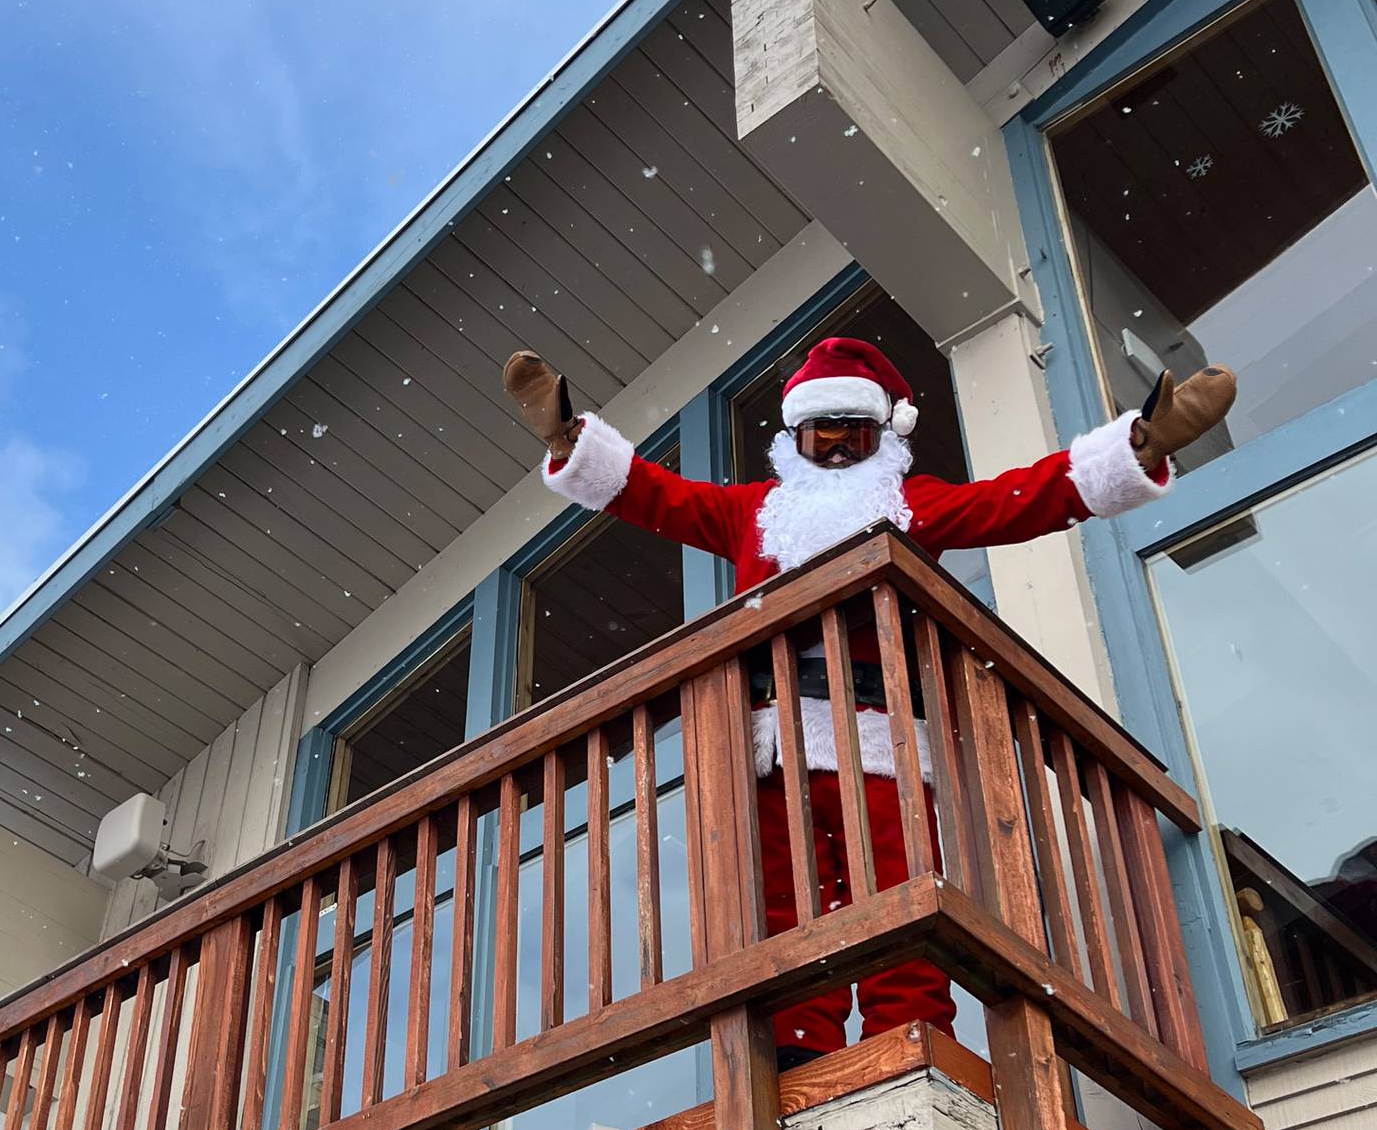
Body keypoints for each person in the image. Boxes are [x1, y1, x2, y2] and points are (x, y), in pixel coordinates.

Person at [502, 332, 1233, 1064]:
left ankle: (908, 1034)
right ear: (797, 436)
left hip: (881, 738)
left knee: (900, 890)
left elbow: (1016, 502)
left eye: (854, 433)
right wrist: (572, 440)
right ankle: (798, 1047)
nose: (840, 451)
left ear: (883, 434)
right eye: (824, 433)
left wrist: (1137, 448)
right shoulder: (755, 510)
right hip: (776, 739)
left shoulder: (911, 503)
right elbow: (655, 496)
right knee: (786, 906)